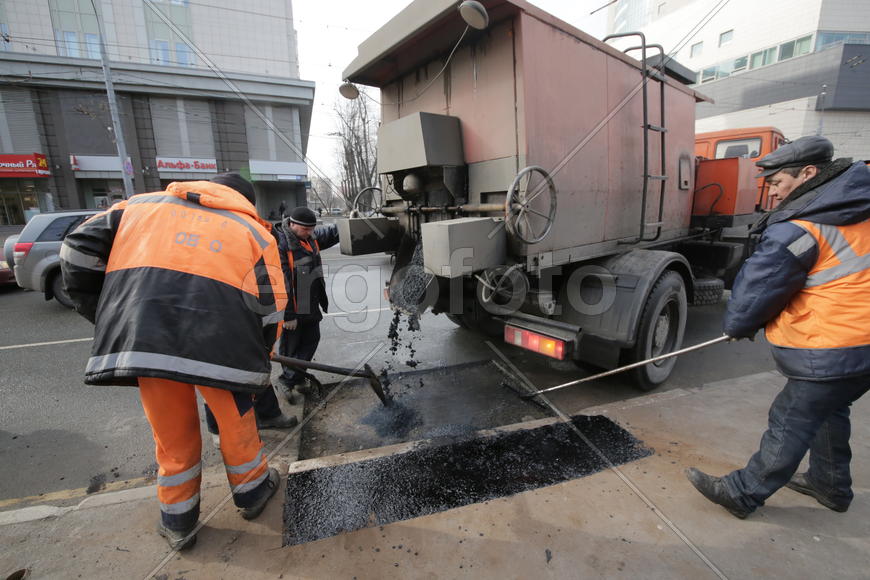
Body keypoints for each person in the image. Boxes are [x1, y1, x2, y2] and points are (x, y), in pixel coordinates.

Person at [60, 173, 288, 550]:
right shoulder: (254, 231)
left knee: (171, 433)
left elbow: (75, 251)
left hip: (149, 338)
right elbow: (270, 308)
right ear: (244, 200)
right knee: (236, 423)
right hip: (223, 348)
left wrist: (104, 309)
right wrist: (261, 354)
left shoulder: (137, 208)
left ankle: (178, 520)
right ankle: (252, 494)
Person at [686, 136, 870, 518]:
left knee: (791, 418)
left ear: (807, 173)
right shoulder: (857, 206)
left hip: (835, 341)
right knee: (828, 410)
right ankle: (830, 485)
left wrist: (739, 324)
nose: (773, 194)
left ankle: (742, 492)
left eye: (777, 184)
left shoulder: (803, 227)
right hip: (859, 341)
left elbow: (759, 289)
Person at [274, 206, 339, 400]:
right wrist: (288, 315)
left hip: (310, 303)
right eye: (306, 229)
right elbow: (281, 282)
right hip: (292, 306)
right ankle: (286, 381)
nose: (310, 233)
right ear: (292, 224)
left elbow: (329, 233)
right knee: (291, 348)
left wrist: (352, 222)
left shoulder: (309, 238)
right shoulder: (281, 245)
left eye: (312, 229)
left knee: (311, 340)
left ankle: (298, 378)